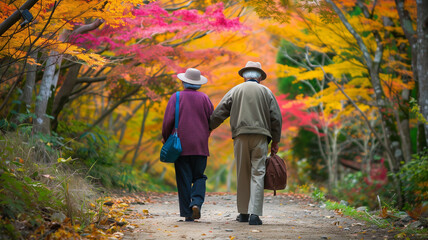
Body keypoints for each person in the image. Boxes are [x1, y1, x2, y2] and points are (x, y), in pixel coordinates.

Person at [209, 61, 282, 225]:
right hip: (261, 137)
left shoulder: (235, 90)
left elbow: (220, 112)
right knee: (258, 172)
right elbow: (276, 118)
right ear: (260, 78)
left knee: (243, 173)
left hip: (241, 136)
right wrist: (275, 141)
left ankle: (243, 213)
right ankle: (255, 215)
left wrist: (208, 127)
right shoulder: (267, 92)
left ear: (244, 77)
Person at [162, 68, 214, 222]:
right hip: (200, 145)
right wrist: (207, 132)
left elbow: (168, 121)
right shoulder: (205, 98)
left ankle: (187, 214)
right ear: (198, 84)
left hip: (180, 145)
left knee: (183, 178)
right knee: (199, 176)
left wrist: (166, 138)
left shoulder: (176, 97)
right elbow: (212, 119)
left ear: (184, 82)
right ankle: (196, 202)